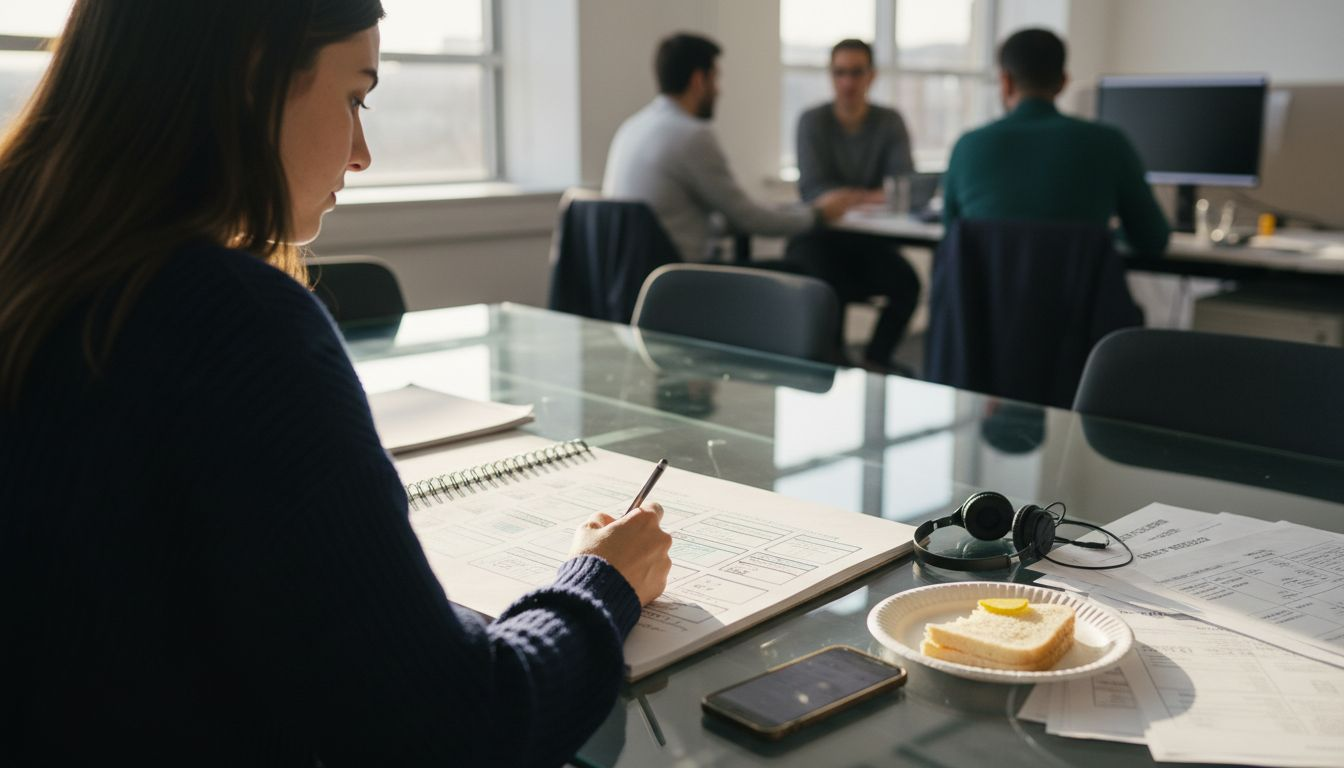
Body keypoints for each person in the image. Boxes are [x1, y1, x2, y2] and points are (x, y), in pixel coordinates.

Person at [0, 2, 672, 766]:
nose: (362, 154)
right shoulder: (235, 323)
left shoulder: (36, 264)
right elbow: (459, 729)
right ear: (255, 73)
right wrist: (602, 578)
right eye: (356, 96)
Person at [603, 32, 861, 263]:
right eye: (715, 79)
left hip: (635, 279)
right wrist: (818, 215)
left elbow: (710, 217)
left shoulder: (632, 127)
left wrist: (790, 210)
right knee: (805, 274)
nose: (719, 90)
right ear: (699, 80)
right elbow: (748, 218)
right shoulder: (691, 135)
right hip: (681, 280)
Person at [942, 28, 1170, 254]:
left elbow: (951, 236)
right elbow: (1153, 238)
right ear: (1063, 81)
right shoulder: (1110, 143)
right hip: (1081, 280)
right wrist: (1104, 235)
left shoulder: (967, 147)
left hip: (987, 280)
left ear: (1005, 81)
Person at [789, 38, 924, 371]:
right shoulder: (812, 121)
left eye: (856, 72)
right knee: (826, 281)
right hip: (820, 239)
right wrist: (872, 195)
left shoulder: (889, 121)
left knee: (908, 284)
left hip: (871, 241)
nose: (847, 82)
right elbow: (814, 191)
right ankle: (831, 362)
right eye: (840, 73)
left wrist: (846, 198)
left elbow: (901, 188)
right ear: (830, 75)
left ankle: (875, 360)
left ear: (871, 75)